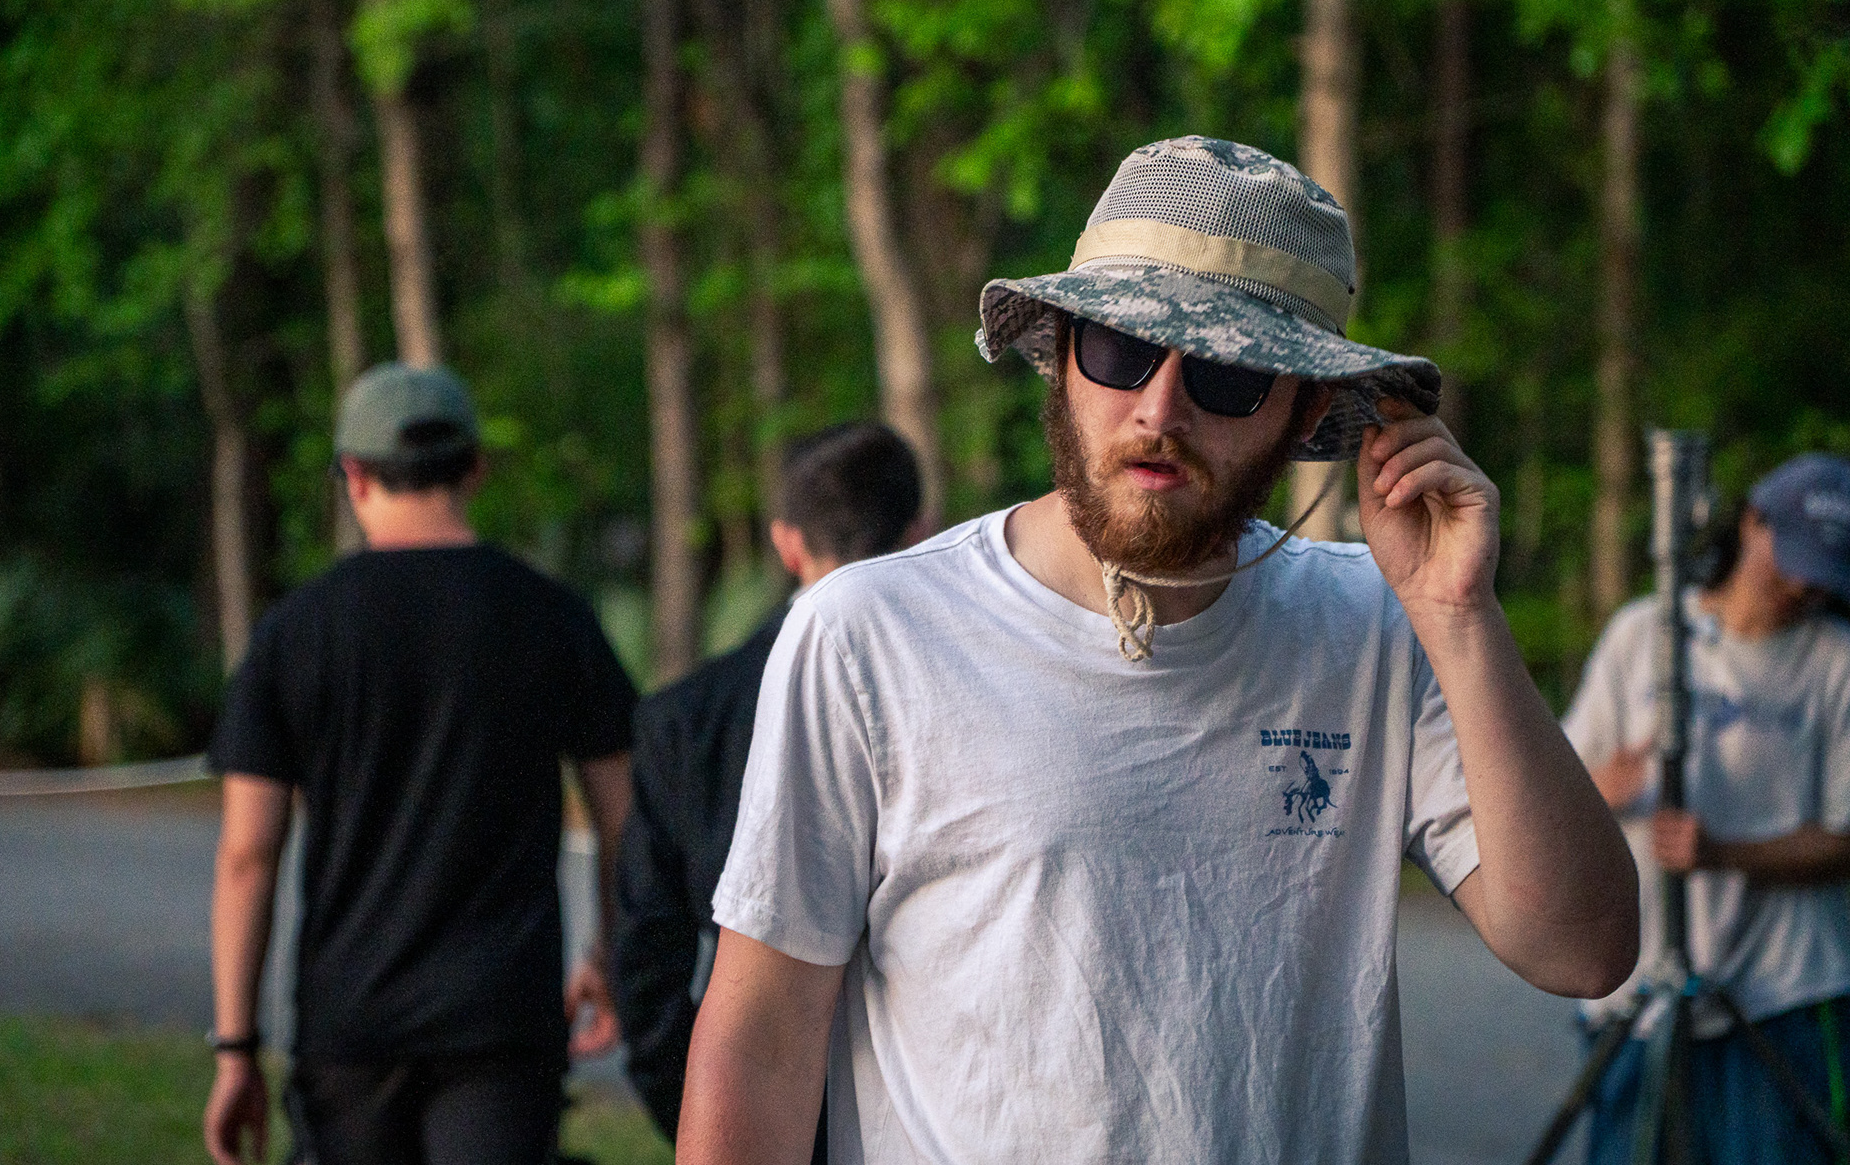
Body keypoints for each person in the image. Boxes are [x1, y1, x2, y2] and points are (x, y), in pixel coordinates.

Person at [676, 136, 1638, 1165]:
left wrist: (1459, 614)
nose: (1159, 409)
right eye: (1122, 348)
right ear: (1060, 352)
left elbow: (1580, 950)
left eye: (1227, 373)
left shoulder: (1376, 623)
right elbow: (763, 1039)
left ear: (1307, 410)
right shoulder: (873, 631)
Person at [202, 363, 637, 1165]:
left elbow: (247, 854)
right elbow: (623, 818)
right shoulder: (552, 616)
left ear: (354, 476)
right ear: (475, 469)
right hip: (501, 1019)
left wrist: (236, 1049)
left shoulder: (295, 631)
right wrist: (608, 956)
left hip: (350, 1022)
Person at [615, 421, 922, 1156]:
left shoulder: (684, 719)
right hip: (921, 1115)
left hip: (751, 1103)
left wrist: (697, 1111)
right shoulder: (964, 693)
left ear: (787, 544)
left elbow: (648, 953)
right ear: (918, 532)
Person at [1568, 452, 1850, 1164]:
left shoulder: (1835, 660)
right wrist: (1604, 787)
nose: (1804, 586)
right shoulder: (1644, 634)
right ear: (1752, 522)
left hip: (1781, 989)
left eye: (1824, 573)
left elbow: (1846, 836)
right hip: (1638, 990)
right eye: (1793, 562)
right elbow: (1561, 790)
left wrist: (1723, 853)